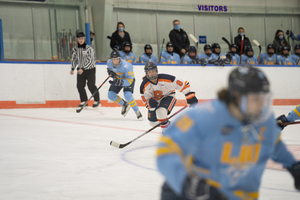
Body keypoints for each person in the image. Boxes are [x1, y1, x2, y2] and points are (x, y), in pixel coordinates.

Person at [156, 65, 300, 200]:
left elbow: (274, 143)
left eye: (263, 98)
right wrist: (188, 183)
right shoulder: (204, 116)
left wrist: (293, 166)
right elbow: (166, 150)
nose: (261, 104)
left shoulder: (263, 119)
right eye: (256, 99)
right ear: (237, 96)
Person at [140, 62, 198, 132]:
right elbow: (145, 101)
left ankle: (167, 134)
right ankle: (170, 126)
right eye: (149, 72)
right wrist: (150, 104)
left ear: (156, 71)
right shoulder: (144, 85)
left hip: (168, 96)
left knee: (161, 112)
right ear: (146, 73)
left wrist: (189, 95)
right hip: (156, 101)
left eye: (153, 71)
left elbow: (183, 84)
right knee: (153, 123)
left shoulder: (166, 78)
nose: (152, 73)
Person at [106, 49, 142, 119]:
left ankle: (137, 112)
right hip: (118, 79)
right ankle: (124, 104)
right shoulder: (109, 62)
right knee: (111, 95)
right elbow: (109, 68)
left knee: (128, 95)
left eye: (117, 59)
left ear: (120, 59)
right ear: (111, 60)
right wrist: (110, 72)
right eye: (113, 59)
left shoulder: (126, 66)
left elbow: (130, 80)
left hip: (128, 79)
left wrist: (120, 82)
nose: (115, 61)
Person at [70, 32, 100, 108]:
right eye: (79, 39)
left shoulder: (89, 49)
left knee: (91, 85)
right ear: (77, 39)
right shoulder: (75, 49)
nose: (81, 40)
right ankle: (84, 101)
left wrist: (83, 68)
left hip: (90, 69)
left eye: (82, 38)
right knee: (79, 85)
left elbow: (90, 60)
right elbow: (74, 59)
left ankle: (97, 100)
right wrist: (73, 68)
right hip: (81, 69)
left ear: (84, 39)